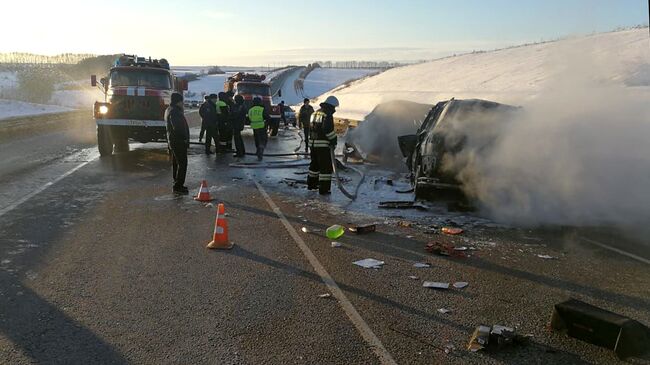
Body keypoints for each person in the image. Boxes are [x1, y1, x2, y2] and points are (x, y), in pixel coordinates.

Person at [307, 96, 339, 195]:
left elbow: (311, 129)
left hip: (313, 144)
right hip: (322, 146)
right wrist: (334, 140)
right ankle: (324, 189)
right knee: (325, 168)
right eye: (334, 107)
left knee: (314, 166)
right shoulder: (327, 114)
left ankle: (312, 185)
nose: (334, 110)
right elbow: (327, 130)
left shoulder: (314, 113)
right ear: (331, 106)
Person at [165, 93, 190, 194]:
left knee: (176, 163)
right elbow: (178, 127)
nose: (182, 103)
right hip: (178, 141)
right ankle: (178, 186)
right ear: (178, 101)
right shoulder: (175, 112)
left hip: (174, 140)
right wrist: (184, 138)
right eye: (181, 101)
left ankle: (177, 182)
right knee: (182, 163)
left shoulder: (170, 109)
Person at [247, 97, 270, 161]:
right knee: (263, 139)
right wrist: (267, 124)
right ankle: (261, 150)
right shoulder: (262, 109)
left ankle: (257, 150)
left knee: (257, 139)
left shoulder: (250, 110)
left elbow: (249, 118)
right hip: (262, 126)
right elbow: (267, 117)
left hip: (254, 126)